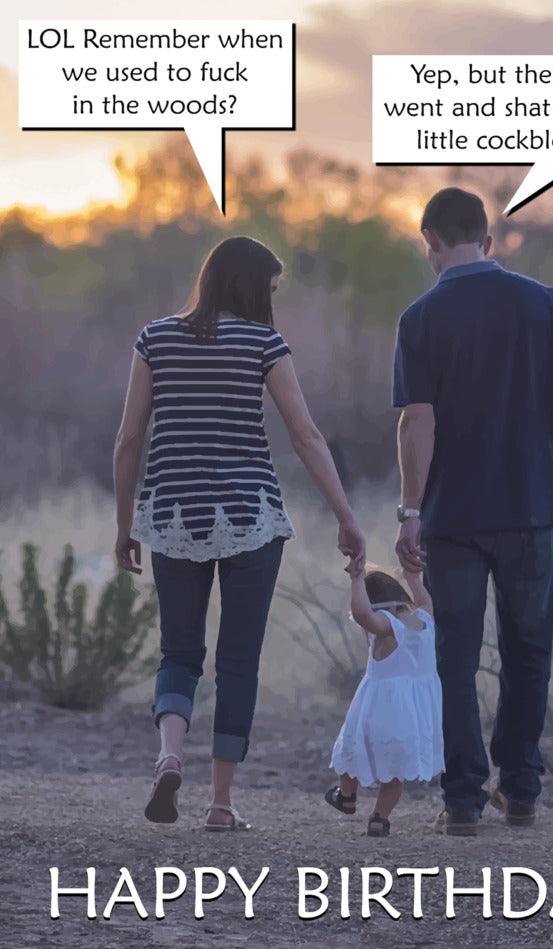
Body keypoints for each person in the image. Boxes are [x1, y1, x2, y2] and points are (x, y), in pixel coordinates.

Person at [113, 236, 365, 829]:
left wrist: (125, 525)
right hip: (251, 516)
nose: (272, 301)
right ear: (251, 287)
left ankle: (169, 754)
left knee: (179, 650)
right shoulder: (263, 343)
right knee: (239, 660)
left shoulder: (155, 338)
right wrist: (346, 516)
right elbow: (306, 437)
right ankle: (221, 803)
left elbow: (128, 440)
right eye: (271, 289)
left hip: (172, 515)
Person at [393, 188, 553, 836]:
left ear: (429, 243)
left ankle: (461, 801)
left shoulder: (421, 317)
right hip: (529, 510)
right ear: (488, 240)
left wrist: (409, 510)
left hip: (452, 517)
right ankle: (521, 790)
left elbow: (415, 422)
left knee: (454, 657)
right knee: (528, 650)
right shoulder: (539, 302)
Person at [325, 567, 444, 837]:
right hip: (412, 717)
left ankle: (346, 796)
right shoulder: (421, 621)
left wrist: (357, 580)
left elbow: (362, 615)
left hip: (377, 713)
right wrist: (413, 576)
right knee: (394, 774)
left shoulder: (387, 628)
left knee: (350, 754)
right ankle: (379, 818)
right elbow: (425, 601)